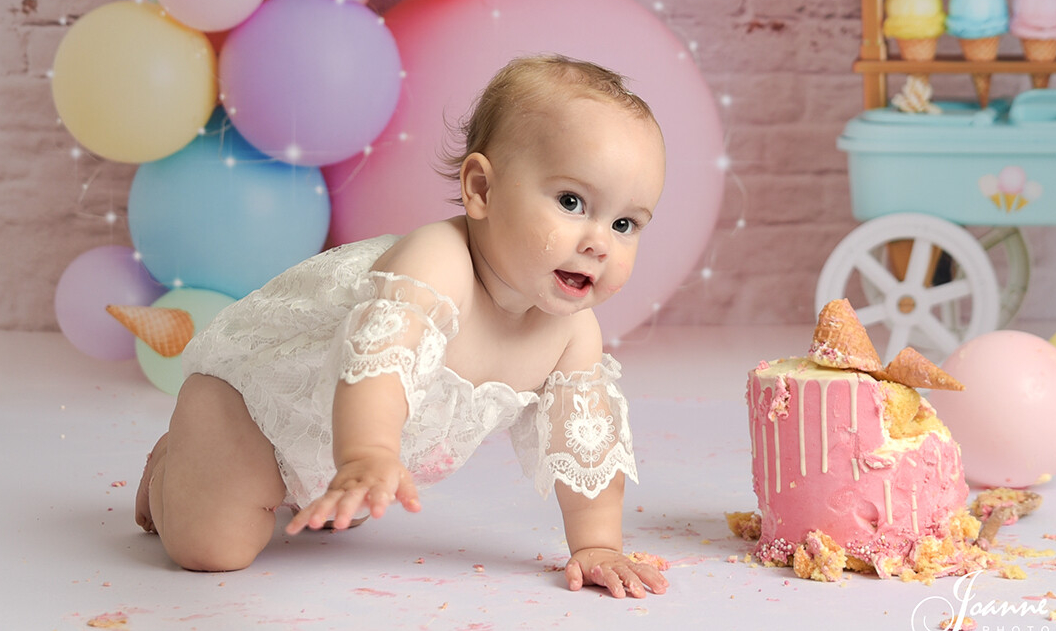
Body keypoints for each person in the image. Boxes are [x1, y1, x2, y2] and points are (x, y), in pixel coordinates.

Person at [135, 54, 669, 599]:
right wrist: (367, 453)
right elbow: (379, 365)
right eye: (572, 202)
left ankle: (320, 476)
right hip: (254, 411)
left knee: (342, 510)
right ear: (481, 190)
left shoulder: (573, 333)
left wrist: (597, 545)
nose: (599, 242)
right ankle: (173, 466)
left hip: (344, 452)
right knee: (214, 549)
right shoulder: (437, 263)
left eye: (624, 223)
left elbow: (586, 445)